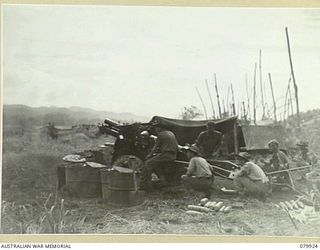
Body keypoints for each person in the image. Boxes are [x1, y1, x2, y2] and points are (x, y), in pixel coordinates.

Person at [141, 125, 178, 190]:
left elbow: (155, 147)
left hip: (166, 155)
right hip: (173, 155)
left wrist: (149, 155)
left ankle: (146, 185)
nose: (156, 130)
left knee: (148, 163)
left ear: (159, 128)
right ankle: (164, 182)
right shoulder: (171, 133)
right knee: (156, 165)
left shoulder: (161, 134)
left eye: (156, 128)